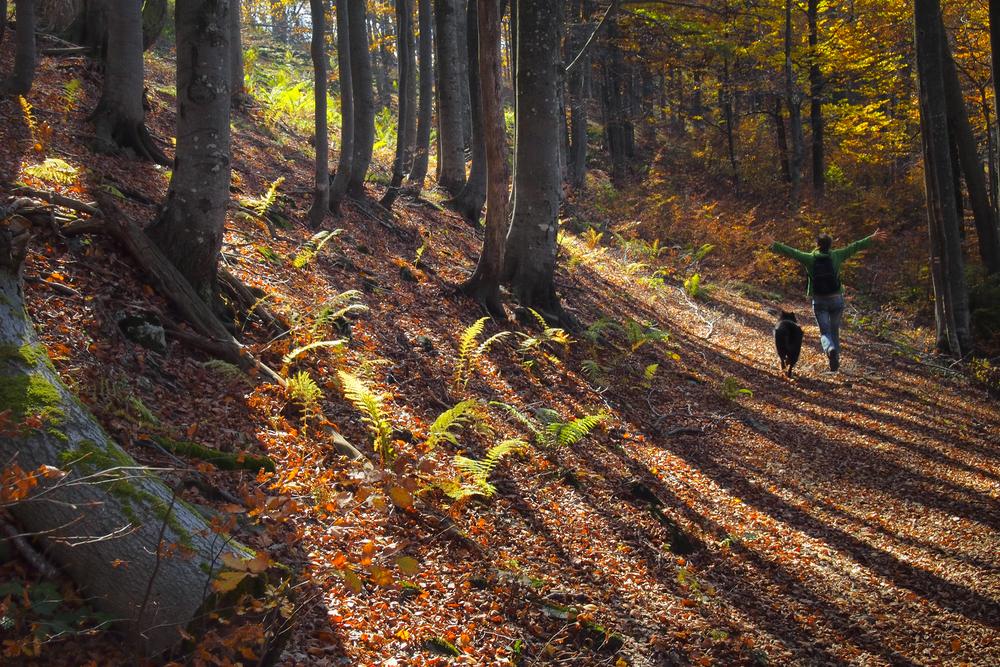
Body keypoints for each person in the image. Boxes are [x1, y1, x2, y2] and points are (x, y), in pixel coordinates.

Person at [770, 229, 887, 371]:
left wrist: (774, 244)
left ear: (817, 244)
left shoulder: (809, 258)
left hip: (819, 300)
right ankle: (835, 359)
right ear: (830, 245)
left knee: (825, 332)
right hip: (836, 299)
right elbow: (854, 247)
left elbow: (792, 252)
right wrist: (871, 238)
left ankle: (830, 349)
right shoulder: (837, 256)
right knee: (834, 330)